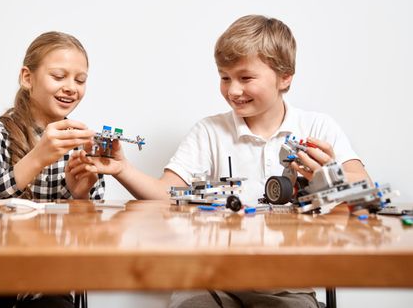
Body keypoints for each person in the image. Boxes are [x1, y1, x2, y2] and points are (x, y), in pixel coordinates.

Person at [68, 15, 370, 307]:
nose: (233, 90)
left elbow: (366, 192)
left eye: (246, 78)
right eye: (225, 78)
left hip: (287, 287)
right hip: (210, 282)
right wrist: (122, 168)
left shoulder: (318, 127)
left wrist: (331, 176)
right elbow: (168, 193)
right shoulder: (209, 131)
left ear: (285, 77)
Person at [0, 31, 103, 308]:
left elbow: (93, 243)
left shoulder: (81, 143)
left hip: (48, 285)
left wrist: (82, 199)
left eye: (80, 80)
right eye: (58, 76)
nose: (71, 87)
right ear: (27, 78)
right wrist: (36, 158)